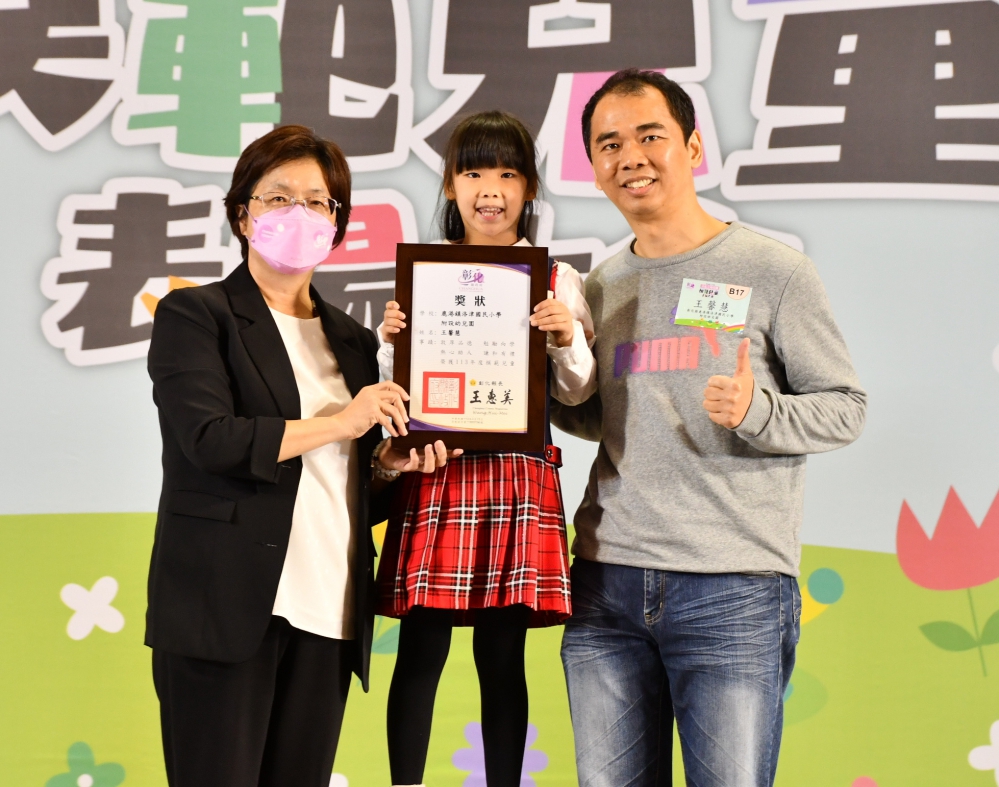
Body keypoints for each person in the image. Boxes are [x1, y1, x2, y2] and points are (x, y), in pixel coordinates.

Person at [553, 70, 868, 787]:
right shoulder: (600, 286)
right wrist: (541, 372)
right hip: (605, 585)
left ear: (692, 147)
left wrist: (756, 412)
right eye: (609, 144)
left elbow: (845, 405)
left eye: (649, 136)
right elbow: (601, 416)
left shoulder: (773, 270)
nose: (630, 156)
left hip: (731, 589)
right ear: (594, 167)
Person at [145, 124, 458, 787]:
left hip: (328, 606)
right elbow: (209, 439)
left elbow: (346, 483)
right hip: (225, 609)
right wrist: (339, 422)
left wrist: (387, 467)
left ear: (337, 223)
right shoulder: (197, 315)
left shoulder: (352, 341)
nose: (300, 212)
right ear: (243, 214)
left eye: (318, 201)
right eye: (279, 197)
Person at [374, 110, 597, 787]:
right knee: (420, 649)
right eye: (473, 173)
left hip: (516, 477)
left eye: (507, 174)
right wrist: (391, 342)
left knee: (502, 657)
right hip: (437, 469)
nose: (490, 189)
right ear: (450, 184)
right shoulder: (422, 276)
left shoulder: (556, 280)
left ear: (529, 188)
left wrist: (566, 338)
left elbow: (577, 392)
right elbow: (396, 397)